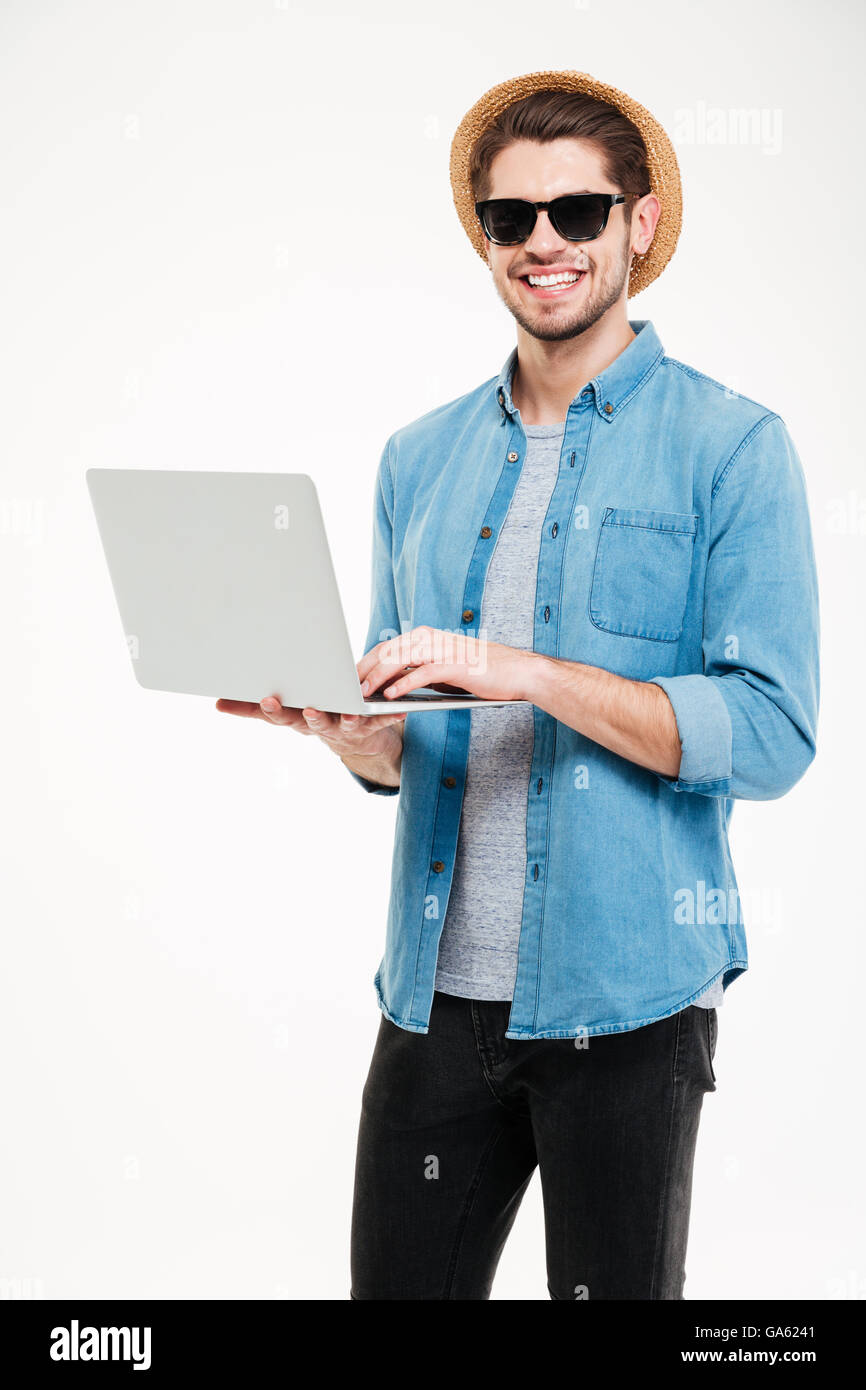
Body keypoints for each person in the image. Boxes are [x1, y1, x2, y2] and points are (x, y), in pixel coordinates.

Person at [217, 70, 819, 1300]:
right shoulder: (418, 458)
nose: (541, 243)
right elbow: (414, 739)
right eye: (509, 219)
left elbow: (769, 732)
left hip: (626, 1001)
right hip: (433, 1003)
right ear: (484, 236)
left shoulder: (732, 449)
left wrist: (530, 673)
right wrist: (349, 735)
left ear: (637, 226)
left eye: (577, 212)